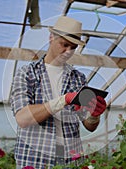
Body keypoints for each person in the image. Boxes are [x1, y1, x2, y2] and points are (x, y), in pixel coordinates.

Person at [10, 16, 107, 169]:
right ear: (51, 37)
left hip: (69, 160)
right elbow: (23, 118)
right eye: (65, 44)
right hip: (35, 159)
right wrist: (63, 100)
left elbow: (88, 124)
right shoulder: (28, 73)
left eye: (73, 47)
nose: (68, 51)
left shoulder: (78, 79)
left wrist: (94, 115)